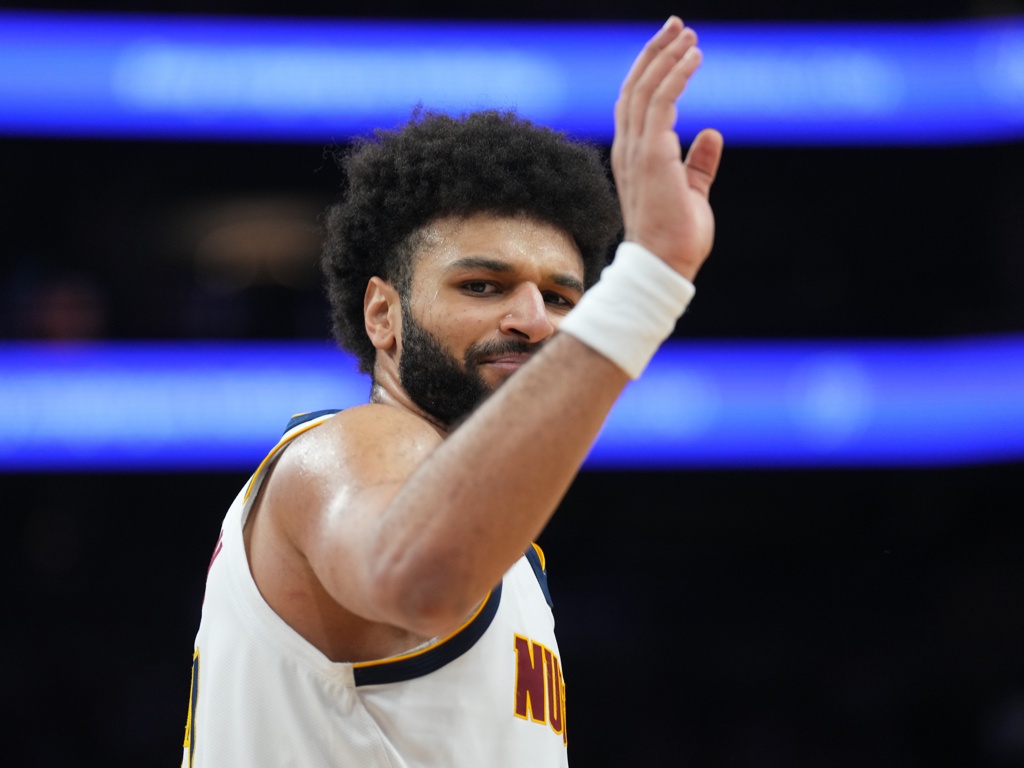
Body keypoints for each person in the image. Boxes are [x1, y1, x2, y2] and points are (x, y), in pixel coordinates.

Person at [181, 16, 722, 767]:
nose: (534, 319)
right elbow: (418, 580)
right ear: (383, 314)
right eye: (482, 285)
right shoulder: (346, 451)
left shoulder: (501, 549)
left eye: (562, 298)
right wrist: (649, 282)